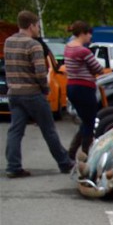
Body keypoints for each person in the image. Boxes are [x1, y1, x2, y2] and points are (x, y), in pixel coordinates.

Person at [4, 10, 74, 178]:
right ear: (31, 26)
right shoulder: (33, 44)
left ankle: (13, 166)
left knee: (15, 131)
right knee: (48, 130)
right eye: (37, 26)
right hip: (32, 93)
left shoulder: (8, 42)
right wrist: (45, 90)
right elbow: (41, 73)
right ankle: (64, 163)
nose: (38, 30)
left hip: (14, 93)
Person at [63, 21, 105, 160]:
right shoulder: (83, 51)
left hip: (71, 86)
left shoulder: (68, 48)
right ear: (83, 33)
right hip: (84, 88)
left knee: (85, 120)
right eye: (89, 35)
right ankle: (86, 153)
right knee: (90, 121)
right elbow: (98, 68)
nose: (90, 38)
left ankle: (72, 152)